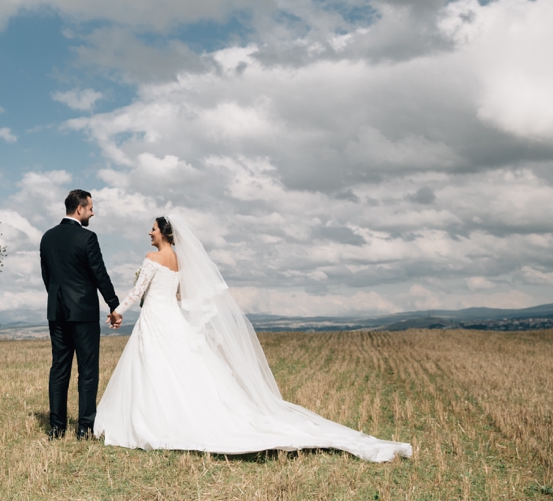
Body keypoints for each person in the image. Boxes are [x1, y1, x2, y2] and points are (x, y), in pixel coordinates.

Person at [94, 215, 413, 462]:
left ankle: (155, 421)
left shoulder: (151, 260)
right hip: (170, 318)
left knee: (154, 369)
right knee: (180, 369)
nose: (148, 233)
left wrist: (117, 311)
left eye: (152, 229)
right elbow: (180, 294)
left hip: (156, 319)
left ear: (163, 232)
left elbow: (138, 292)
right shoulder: (179, 259)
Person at [40, 189, 121, 439]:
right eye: (91, 208)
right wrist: (113, 304)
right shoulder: (87, 238)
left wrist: (57, 299)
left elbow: (47, 277)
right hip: (84, 312)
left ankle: (56, 427)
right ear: (79, 209)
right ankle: (84, 428)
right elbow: (99, 274)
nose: (92, 212)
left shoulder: (47, 237)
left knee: (59, 368)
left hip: (56, 310)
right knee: (87, 370)